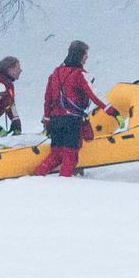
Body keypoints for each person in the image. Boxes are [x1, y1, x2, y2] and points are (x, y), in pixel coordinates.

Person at [33, 40, 124, 177]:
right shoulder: (79, 75)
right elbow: (95, 96)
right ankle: (63, 184)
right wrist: (113, 112)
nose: (87, 58)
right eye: (86, 55)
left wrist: (47, 119)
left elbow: (48, 99)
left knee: (56, 155)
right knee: (71, 157)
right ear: (80, 56)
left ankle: (37, 178)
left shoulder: (55, 74)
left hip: (55, 121)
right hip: (71, 122)